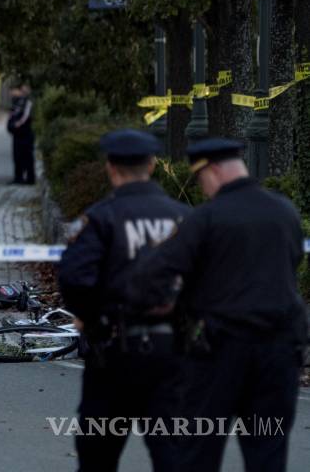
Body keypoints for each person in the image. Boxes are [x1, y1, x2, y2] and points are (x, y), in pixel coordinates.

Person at [128, 138, 307, 472]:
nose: (203, 189)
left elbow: (154, 272)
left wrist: (165, 306)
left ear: (210, 171)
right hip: (280, 350)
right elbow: (293, 260)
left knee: (197, 451)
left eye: (200, 180)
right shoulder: (284, 211)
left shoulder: (206, 218)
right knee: (268, 452)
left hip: (220, 351)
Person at [58, 129, 191, 472]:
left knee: (98, 454)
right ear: (152, 165)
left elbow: (74, 277)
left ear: (110, 167)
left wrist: (91, 317)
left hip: (114, 352)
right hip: (172, 352)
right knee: (173, 453)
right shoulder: (184, 217)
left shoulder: (101, 217)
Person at [7, 83, 35, 184]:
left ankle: (30, 178)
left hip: (25, 133)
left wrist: (17, 125)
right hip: (17, 134)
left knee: (27, 156)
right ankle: (18, 177)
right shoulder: (17, 102)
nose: (12, 93)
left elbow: (25, 117)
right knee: (17, 156)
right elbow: (12, 114)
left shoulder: (28, 101)